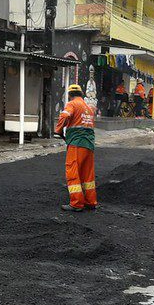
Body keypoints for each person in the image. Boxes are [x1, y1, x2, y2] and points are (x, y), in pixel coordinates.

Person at [55, 84, 96, 212]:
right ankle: (90, 201)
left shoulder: (72, 104)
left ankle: (77, 203)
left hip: (76, 144)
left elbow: (65, 116)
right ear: (81, 93)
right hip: (89, 145)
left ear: (70, 95)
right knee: (87, 174)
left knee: (73, 172)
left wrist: (58, 130)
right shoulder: (88, 108)